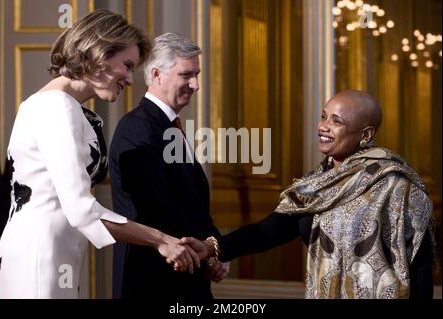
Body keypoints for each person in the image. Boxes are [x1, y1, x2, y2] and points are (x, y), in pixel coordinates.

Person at [0, 10, 201, 299]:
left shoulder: (61, 107)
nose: (130, 79)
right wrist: (160, 240)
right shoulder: (55, 107)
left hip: (54, 250)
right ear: (99, 52)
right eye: (127, 65)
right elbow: (81, 208)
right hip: (40, 254)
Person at [182, 90, 437, 299]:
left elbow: (419, 264)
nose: (323, 127)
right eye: (324, 116)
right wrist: (210, 247)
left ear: (366, 134)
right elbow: (270, 231)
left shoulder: (396, 186)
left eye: (337, 121)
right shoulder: (315, 187)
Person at [109, 32, 229, 301]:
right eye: (186, 75)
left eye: (196, 74)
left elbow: (192, 204)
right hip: (153, 281)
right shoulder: (137, 128)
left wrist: (214, 248)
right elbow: (156, 207)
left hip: (184, 275)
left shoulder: (171, 127)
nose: (195, 84)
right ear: (156, 74)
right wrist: (209, 251)